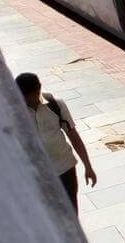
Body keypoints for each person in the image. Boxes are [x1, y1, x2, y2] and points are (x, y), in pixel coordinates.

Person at [15, 73, 96, 211]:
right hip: (37, 173)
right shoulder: (14, 112)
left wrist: (88, 166)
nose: (30, 100)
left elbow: (73, 136)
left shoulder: (55, 104)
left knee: (71, 211)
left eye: (33, 95)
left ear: (39, 89)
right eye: (26, 97)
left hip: (65, 168)